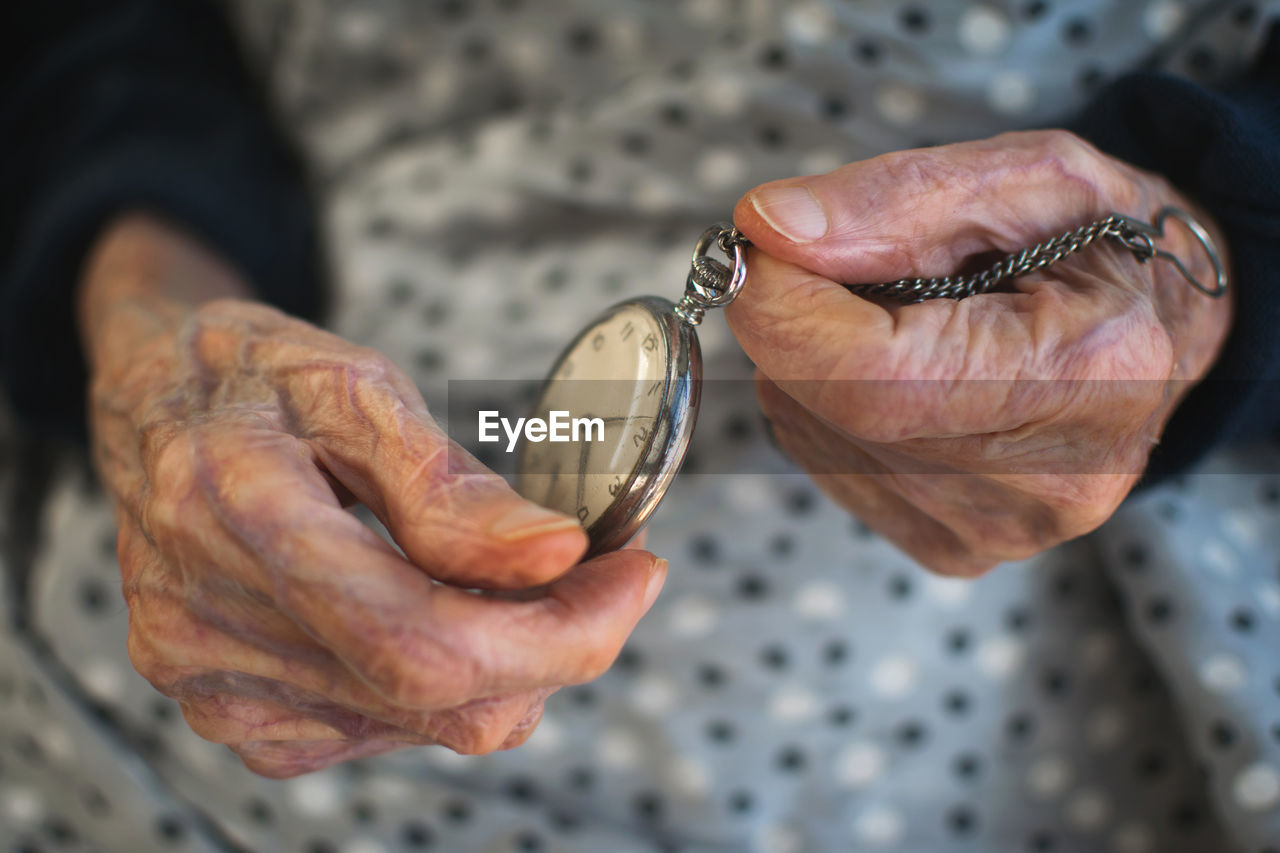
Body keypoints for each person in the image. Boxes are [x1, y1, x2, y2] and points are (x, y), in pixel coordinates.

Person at [2, 1, 1278, 851]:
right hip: (128, 722)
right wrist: (146, 326)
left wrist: (1210, 253)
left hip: (958, 755)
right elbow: (97, 33)